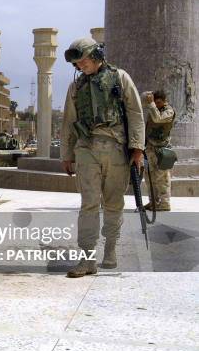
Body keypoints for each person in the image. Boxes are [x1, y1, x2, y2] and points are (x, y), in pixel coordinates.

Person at [61, 37, 145, 277]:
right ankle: (87, 259)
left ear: (96, 55)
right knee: (88, 204)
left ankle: (110, 249)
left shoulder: (120, 78)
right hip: (86, 149)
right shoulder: (75, 87)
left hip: (116, 149)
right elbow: (69, 121)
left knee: (113, 203)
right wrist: (67, 154)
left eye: (84, 60)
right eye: (77, 63)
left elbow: (136, 114)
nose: (80, 66)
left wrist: (137, 148)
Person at [142, 90, 176, 211]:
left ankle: (165, 203)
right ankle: (153, 202)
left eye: (158, 102)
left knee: (162, 177)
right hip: (150, 148)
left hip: (162, 150)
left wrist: (151, 104)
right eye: (155, 102)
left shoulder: (169, 111)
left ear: (164, 101)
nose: (156, 104)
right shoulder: (154, 109)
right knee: (149, 176)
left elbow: (158, 119)